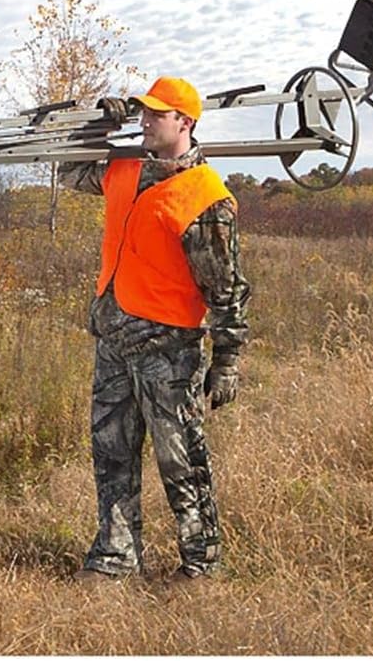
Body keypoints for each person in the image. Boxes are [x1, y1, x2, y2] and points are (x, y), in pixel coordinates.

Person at [60, 76, 251, 584]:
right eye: (142, 112)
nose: (145, 120)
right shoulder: (124, 169)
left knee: (181, 460)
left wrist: (227, 360)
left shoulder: (206, 197)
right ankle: (115, 558)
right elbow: (69, 168)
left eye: (156, 114)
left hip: (168, 351)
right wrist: (102, 121)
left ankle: (201, 566)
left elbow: (227, 287)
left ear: (184, 123)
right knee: (111, 452)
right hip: (115, 339)